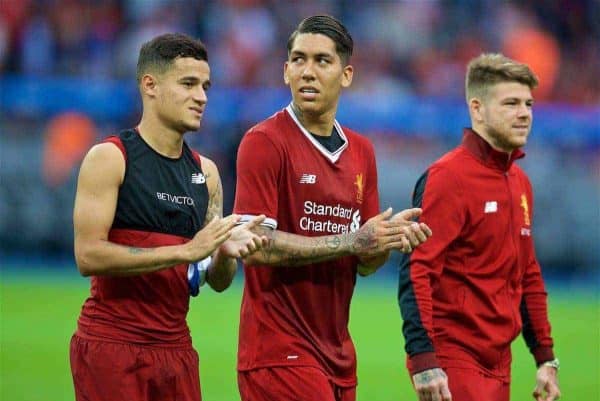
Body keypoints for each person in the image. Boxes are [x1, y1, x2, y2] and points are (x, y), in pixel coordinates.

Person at [233, 15, 432, 401]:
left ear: (346, 75)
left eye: (322, 61)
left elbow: (364, 260)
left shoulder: (361, 151)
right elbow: (255, 246)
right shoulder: (264, 142)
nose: (308, 71)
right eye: (299, 60)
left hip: (338, 354)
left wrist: (388, 241)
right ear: (285, 71)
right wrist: (352, 241)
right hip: (278, 353)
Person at [70, 33, 266, 401]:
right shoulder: (110, 157)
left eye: (206, 86)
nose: (202, 97)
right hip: (113, 345)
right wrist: (186, 251)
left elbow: (216, 281)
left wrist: (224, 253)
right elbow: (88, 256)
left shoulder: (206, 173)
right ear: (150, 86)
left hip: (177, 349)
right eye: (188, 84)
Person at [398, 53, 561, 401]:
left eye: (529, 104)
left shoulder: (519, 183)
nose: (524, 113)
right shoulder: (447, 178)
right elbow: (416, 270)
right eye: (511, 103)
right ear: (477, 109)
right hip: (453, 362)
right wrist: (424, 360)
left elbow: (528, 274)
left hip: (501, 363)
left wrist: (546, 357)